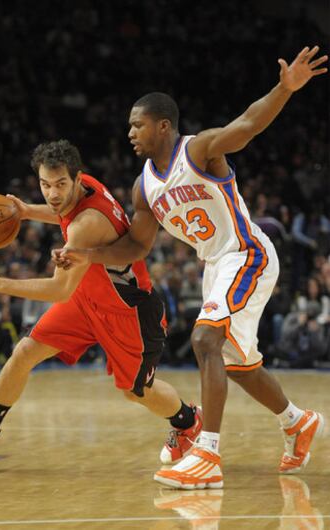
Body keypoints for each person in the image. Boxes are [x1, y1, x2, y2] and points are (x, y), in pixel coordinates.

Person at [54, 46, 328, 489]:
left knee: (204, 340)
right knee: (238, 364)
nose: (129, 132)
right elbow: (136, 247)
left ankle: (208, 454)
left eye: (137, 124)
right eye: (128, 125)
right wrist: (87, 256)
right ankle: (297, 422)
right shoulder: (144, 186)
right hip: (216, 266)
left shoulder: (198, 150)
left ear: (163, 125)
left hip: (246, 253)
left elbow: (247, 125)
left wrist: (284, 88)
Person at [0, 139, 203, 463]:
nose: (53, 194)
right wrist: (29, 211)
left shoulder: (86, 227)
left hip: (127, 310)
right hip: (87, 298)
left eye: (60, 184)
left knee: (137, 392)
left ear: (77, 178)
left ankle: (188, 422)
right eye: (45, 185)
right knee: (24, 352)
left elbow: (59, 290)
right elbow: (62, 213)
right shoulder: (84, 189)